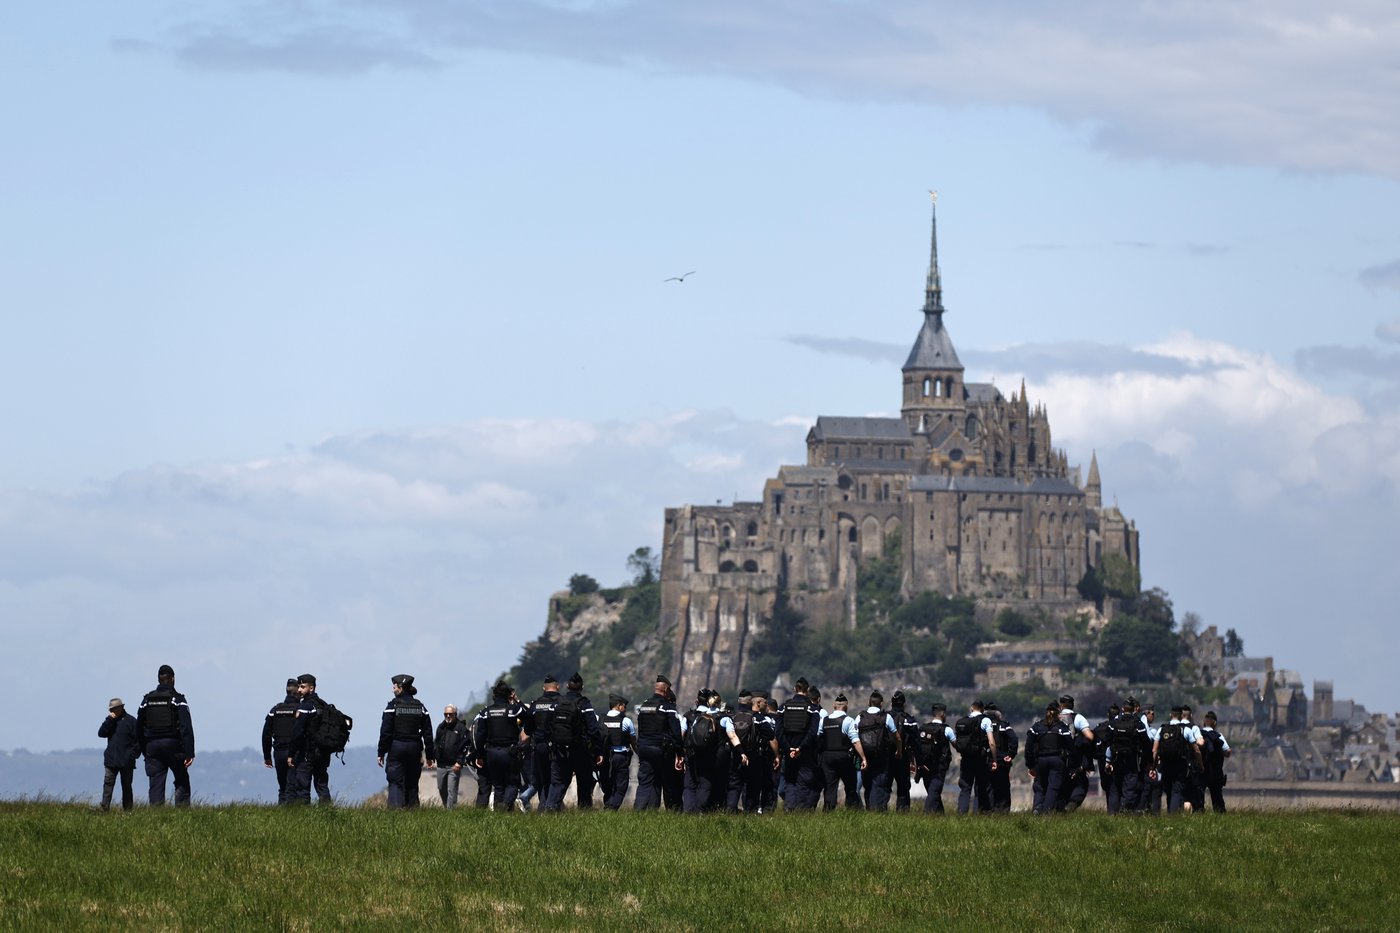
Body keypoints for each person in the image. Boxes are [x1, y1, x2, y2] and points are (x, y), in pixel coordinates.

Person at [543, 672, 604, 811]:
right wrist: (598, 751)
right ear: (582, 687)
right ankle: (584, 812)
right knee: (584, 782)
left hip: (559, 751)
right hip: (580, 750)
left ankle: (550, 809)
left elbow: (547, 727)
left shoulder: (557, 703)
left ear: (567, 686)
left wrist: (551, 746)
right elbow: (593, 730)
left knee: (558, 783)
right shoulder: (584, 704)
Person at [137, 664, 195, 807]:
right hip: (173, 745)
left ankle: (157, 816)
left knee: (156, 783)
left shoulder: (146, 701)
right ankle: (182, 812)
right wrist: (189, 753)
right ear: (173, 679)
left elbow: (138, 727)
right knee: (181, 779)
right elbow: (186, 727)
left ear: (159, 679)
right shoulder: (178, 700)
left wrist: (144, 749)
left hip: (152, 746)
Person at [377, 674, 435, 808]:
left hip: (397, 746)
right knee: (412, 782)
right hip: (415, 748)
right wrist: (430, 756)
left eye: (394, 687)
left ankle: (396, 813)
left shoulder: (392, 706)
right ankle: (412, 812)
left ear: (401, 688)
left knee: (395, 782)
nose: (393, 690)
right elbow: (428, 734)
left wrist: (381, 752)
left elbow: (385, 732)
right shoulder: (421, 707)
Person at [633, 675, 684, 811]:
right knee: (668, 782)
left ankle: (640, 811)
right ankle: (673, 812)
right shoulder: (668, 707)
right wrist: (679, 753)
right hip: (661, 750)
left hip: (644, 748)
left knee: (645, 783)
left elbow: (641, 727)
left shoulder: (644, 706)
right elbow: (676, 732)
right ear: (666, 690)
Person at [473, 681, 525, 811]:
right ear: (509, 695)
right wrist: (517, 700)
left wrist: (479, 755)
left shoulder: (485, 712)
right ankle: (505, 807)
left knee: (498, 786)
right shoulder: (513, 710)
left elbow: (480, 736)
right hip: (509, 752)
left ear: (494, 696)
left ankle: (499, 813)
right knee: (512, 784)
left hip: (491, 753)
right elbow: (529, 716)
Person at [287, 673, 333, 805]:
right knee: (322, 786)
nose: (299, 690)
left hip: (307, 752)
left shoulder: (305, 706)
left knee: (303, 787)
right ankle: (327, 814)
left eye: (302, 687)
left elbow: (297, 732)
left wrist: (291, 754)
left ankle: (304, 818)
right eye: (299, 687)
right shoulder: (323, 705)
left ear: (311, 688)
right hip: (323, 753)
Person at [778, 678, 820, 811]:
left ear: (794, 689)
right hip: (805, 752)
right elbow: (812, 733)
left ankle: (789, 809)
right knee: (805, 782)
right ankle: (802, 812)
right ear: (807, 691)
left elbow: (778, 732)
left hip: (788, 752)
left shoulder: (783, 708)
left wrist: (788, 748)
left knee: (790, 781)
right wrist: (800, 748)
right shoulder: (812, 709)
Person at [521, 675, 562, 812]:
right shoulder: (561, 703)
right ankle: (551, 808)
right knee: (554, 779)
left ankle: (542, 807)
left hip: (538, 747)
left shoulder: (535, 704)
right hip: (556, 747)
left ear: (543, 688)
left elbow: (527, 729)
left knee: (541, 779)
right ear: (558, 687)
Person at [818, 693, 865, 810]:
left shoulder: (824, 720)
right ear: (846, 706)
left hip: (827, 757)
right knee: (850, 786)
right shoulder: (848, 721)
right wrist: (863, 757)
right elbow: (855, 741)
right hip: (844, 757)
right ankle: (852, 811)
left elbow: (818, 738)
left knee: (829, 787)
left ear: (834, 705)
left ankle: (828, 812)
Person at [1103, 699, 1151, 814]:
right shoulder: (1138, 723)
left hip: (1116, 759)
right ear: (1134, 709)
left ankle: (1113, 813)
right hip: (1131, 759)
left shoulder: (1114, 723)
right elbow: (1147, 744)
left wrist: (1108, 761)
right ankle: (1124, 810)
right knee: (1129, 787)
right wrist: (1149, 762)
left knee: (1115, 787)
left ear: (1123, 709)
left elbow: (1107, 742)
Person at [1025, 704, 1073, 814]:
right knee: (1053, 787)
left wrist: (1030, 764)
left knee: (1040, 786)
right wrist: (1073, 764)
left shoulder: (1036, 727)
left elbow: (1028, 747)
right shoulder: (1062, 727)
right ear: (1058, 714)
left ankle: (1037, 808)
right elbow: (1071, 747)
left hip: (1040, 760)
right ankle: (1046, 811)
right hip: (1057, 760)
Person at [261, 678, 300, 804]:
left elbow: (266, 734)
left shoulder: (275, 710)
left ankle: (282, 815)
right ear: (298, 692)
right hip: (294, 753)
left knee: (282, 787)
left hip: (278, 753)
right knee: (293, 787)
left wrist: (267, 756)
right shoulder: (300, 710)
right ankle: (292, 816)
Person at [858, 690, 898, 811]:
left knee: (867, 784)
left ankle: (870, 808)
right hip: (881, 756)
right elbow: (897, 736)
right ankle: (876, 811)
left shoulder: (860, 717)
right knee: (879, 784)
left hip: (864, 756)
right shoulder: (886, 717)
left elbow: (854, 738)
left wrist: (861, 756)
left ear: (869, 703)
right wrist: (899, 750)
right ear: (881, 704)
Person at [953, 699, 994, 814]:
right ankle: (978, 813)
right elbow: (991, 742)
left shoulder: (963, 721)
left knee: (965, 788)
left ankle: (961, 813)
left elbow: (958, 742)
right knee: (981, 787)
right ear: (983, 709)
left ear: (971, 708)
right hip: (980, 758)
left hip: (966, 758)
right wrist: (994, 758)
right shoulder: (985, 720)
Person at [98, 697, 139, 811]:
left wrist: (133, 755)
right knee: (108, 786)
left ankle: (128, 811)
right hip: (111, 760)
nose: (112, 711)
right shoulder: (110, 721)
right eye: (111, 709)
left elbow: (138, 740)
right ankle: (104, 809)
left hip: (127, 761)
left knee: (126, 787)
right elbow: (101, 733)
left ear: (121, 707)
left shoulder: (131, 721)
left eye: (114, 708)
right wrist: (109, 720)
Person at [1056, 694, 1096, 812]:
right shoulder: (1078, 718)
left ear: (1061, 706)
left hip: (1056, 756)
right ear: (1072, 705)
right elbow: (1089, 736)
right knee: (1080, 785)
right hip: (1074, 758)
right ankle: (1071, 806)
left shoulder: (1054, 717)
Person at [914, 704, 956, 814]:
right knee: (934, 792)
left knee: (933, 792)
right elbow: (956, 745)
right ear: (942, 714)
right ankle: (926, 814)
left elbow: (917, 746)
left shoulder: (923, 728)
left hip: (925, 766)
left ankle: (940, 816)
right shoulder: (946, 729)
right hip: (939, 767)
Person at [600, 694, 636, 810]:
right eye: (624, 706)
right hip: (620, 757)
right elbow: (633, 742)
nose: (624, 709)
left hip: (604, 757)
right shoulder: (626, 721)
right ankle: (611, 808)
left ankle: (608, 806)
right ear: (619, 706)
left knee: (607, 785)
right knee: (621, 786)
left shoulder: (601, 719)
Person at [435, 704, 472, 809]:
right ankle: (446, 807)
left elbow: (465, 745)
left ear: (455, 714)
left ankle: (451, 812)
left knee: (452, 790)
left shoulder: (461, 728)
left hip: (454, 765)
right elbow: (436, 743)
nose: (448, 716)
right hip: (441, 765)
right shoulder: (440, 727)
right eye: (445, 714)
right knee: (441, 788)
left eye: (450, 714)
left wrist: (459, 762)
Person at [986, 703, 1018, 813]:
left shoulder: (982, 725)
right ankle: (1003, 810)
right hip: (1002, 759)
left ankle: (988, 810)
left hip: (986, 759)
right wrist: (1011, 754)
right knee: (1003, 786)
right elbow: (1013, 739)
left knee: (988, 786)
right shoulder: (1003, 725)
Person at [888, 691, 918, 811]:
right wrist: (919, 762)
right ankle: (902, 813)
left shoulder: (885, 717)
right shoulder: (909, 720)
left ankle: (880, 810)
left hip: (887, 758)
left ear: (892, 703)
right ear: (904, 704)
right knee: (903, 789)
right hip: (904, 758)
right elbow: (916, 743)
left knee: (885, 787)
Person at [1199, 710, 1232, 813]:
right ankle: (1220, 813)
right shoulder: (1218, 736)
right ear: (1215, 723)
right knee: (1217, 797)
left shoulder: (1199, 734)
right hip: (1215, 771)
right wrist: (1219, 752)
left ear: (1204, 722)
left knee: (1199, 795)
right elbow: (1228, 752)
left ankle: (1199, 812)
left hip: (1201, 770)